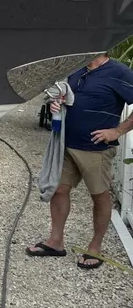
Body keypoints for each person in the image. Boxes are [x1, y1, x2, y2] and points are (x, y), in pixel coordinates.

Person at [25, 52, 133, 269]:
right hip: (66, 143)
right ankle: (56, 242)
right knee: (58, 189)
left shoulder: (119, 72)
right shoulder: (76, 68)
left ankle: (95, 247)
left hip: (97, 148)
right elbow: (63, 95)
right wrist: (56, 104)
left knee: (100, 196)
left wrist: (116, 131)